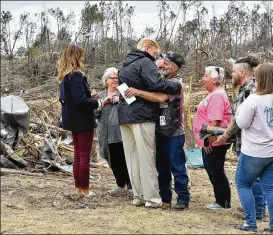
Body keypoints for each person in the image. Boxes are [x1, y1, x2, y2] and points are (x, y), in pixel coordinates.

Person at [118, 38, 182, 208]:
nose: (155, 58)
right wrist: (176, 87)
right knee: (146, 157)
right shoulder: (145, 61)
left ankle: (138, 195)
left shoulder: (124, 65)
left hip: (124, 116)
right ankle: (152, 198)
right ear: (147, 48)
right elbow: (157, 83)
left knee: (132, 158)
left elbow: (123, 90)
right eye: (154, 53)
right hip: (142, 115)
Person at [230, 63, 273, 234]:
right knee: (271, 187)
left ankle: (250, 223)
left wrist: (239, 110)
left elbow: (241, 123)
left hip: (255, 151)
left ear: (259, 78)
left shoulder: (253, 100)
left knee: (243, 183)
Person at [214, 56, 267, 220]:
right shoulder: (245, 88)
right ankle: (251, 205)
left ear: (242, 73)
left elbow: (240, 120)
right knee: (251, 177)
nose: (232, 74)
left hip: (249, 142)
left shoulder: (250, 91)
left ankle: (257, 210)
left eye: (234, 71)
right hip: (243, 141)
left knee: (252, 178)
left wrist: (225, 135)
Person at [58, 45, 110, 196]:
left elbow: (72, 99)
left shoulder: (64, 77)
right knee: (84, 157)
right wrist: (99, 103)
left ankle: (79, 188)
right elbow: (80, 101)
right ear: (76, 57)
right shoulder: (75, 76)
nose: (83, 58)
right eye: (81, 55)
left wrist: (89, 96)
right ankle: (85, 190)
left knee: (78, 156)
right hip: (82, 120)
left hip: (73, 120)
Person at [192, 66, 232, 210]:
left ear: (214, 79)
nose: (203, 79)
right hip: (209, 140)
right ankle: (219, 199)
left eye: (205, 76)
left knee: (216, 170)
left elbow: (214, 120)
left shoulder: (217, 96)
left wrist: (208, 139)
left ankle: (223, 201)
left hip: (214, 141)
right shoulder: (214, 94)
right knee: (212, 170)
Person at [96, 67, 132, 196]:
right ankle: (120, 184)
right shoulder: (100, 95)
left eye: (117, 78)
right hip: (107, 133)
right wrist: (103, 103)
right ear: (106, 80)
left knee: (126, 159)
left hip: (124, 132)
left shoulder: (124, 92)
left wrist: (120, 100)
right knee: (113, 160)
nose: (115, 80)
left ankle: (131, 185)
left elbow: (133, 107)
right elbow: (94, 113)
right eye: (113, 78)